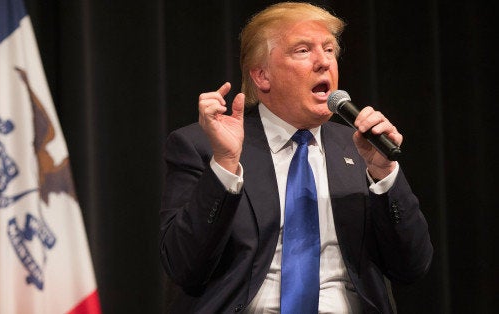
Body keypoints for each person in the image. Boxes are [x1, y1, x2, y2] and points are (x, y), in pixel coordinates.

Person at [159, 2, 433, 313]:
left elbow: (412, 266)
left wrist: (384, 174)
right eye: (303, 51)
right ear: (262, 76)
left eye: (329, 50)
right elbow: (183, 266)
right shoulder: (203, 145)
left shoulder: (361, 148)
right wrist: (224, 164)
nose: (323, 62)